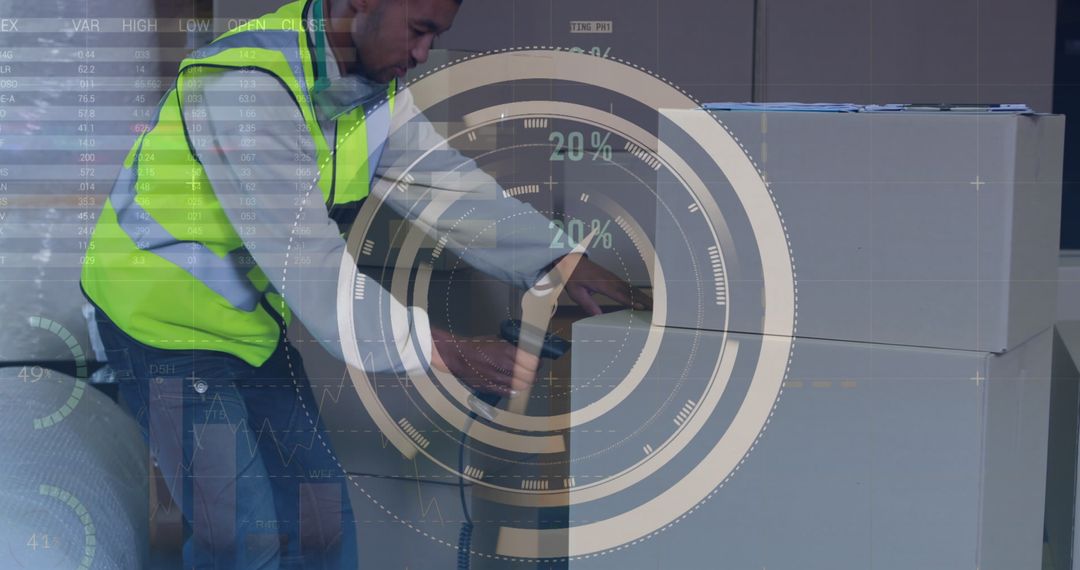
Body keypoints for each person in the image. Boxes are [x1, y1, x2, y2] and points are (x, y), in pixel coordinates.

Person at [80, 0, 650, 567]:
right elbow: (312, 265)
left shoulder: (364, 86)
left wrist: (558, 260)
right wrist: (445, 350)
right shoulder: (245, 88)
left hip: (242, 322)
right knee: (242, 536)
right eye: (419, 30)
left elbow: (447, 189)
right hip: (158, 321)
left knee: (319, 523)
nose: (423, 53)